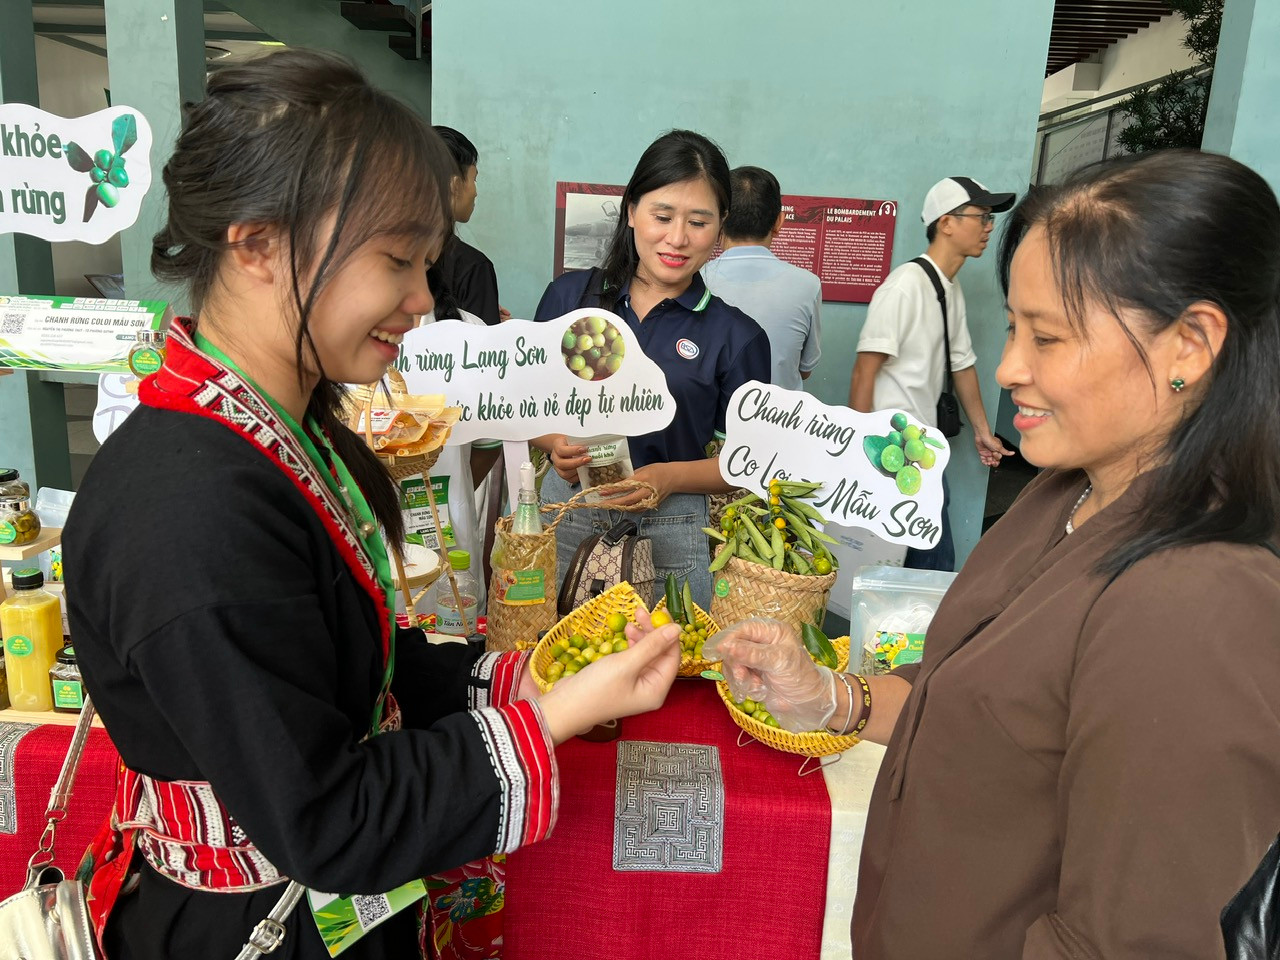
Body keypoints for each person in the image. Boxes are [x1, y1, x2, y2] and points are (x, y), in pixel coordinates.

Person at [62, 49, 682, 960]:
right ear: (258, 242)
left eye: (426, 264)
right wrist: (544, 722)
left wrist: (523, 679)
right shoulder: (190, 508)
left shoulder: (281, 437)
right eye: (397, 261)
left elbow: (357, 674)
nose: (422, 301)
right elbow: (327, 814)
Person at [707, 149, 1280, 959]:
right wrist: (830, 699)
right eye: (1015, 326)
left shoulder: (1199, 604)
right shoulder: (1062, 495)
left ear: (1189, 344)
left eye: (1049, 336)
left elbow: (1131, 938)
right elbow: (973, 713)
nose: (1011, 368)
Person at [531, 130, 772, 608]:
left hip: (673, 526)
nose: (677, 238)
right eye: (662, 216)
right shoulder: (570, 299)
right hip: (567, 511)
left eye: (698, 222)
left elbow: (747, 464)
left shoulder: (737, 337)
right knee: (555, 663)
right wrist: (551, 442)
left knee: (667, 670)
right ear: (631, 211)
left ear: (721, 228)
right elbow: (528, 403)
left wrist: (668, 477)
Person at [848, 175, 1015, 571]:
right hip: (891, 454)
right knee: (913, 568)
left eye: (990, 217)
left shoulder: (947, 288)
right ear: (947, 222)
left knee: (924, 566)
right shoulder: (904, 286)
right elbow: (863, 372)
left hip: (924, 453)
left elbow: (962, 365)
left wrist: (981, 433)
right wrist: (857, 454)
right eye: (982, 216)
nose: (989, 227)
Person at [700, 165, 821, 390]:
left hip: (708, 422)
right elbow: (805, 369)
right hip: (779, 421)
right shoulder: (808, 285)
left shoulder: (694, 280)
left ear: (720, 218)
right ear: (779, 222)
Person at [432, 125, 504, 325]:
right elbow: (483, 353)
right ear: (455, 186)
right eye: (474, 179)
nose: (476, 192)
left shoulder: (385, 253)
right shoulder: (473, 267)